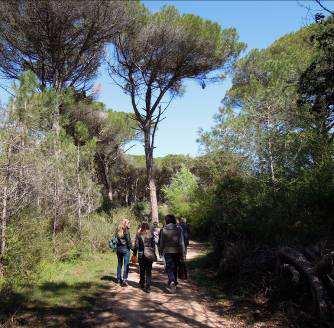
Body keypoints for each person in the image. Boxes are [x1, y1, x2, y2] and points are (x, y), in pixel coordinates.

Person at [158, 214, 185, 293]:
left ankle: (172, 280)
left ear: (166, 220)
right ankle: (174, 282)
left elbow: (161, 242)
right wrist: (183, 253)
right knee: (175, 267)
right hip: (177, 251)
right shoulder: (178, 229)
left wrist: (160, 251)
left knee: (169, 267)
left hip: (167, 251)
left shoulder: (163, 230)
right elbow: (181, 242)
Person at [133, 222, 157, 293]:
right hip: (149, 254)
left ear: (142, 227)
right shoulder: (151, 235)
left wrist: (134, 254)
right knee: (149, 271)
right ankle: (148, 286)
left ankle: (142, 283)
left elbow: (136, 246)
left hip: (141, 254)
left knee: (142, 270)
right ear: (148, 227)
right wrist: (153, 253)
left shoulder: (139, 234)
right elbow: (153, 245)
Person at [116, 219, 133, 286]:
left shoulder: (118, 230)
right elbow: (128, 241)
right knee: (126, 265)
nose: (129, 224)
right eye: (128, 223)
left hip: (118, 249)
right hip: (125, 250)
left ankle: (118, 279)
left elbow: (116, 239)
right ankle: (124, 279)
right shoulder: (126, 231)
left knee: (119, 264)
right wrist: (132, 248)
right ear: (125, 224)